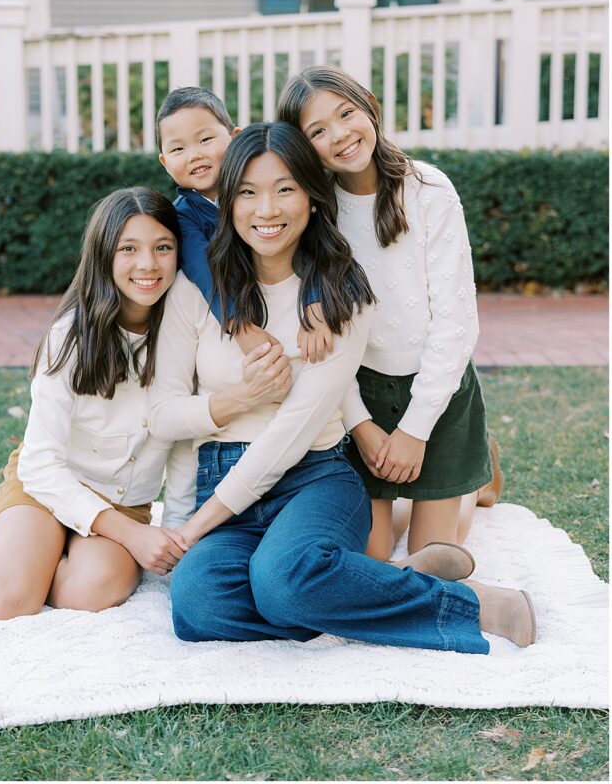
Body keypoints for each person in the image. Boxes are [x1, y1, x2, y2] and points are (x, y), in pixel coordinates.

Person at [150, 122, 536, 652]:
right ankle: (381, 582)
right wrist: (234, 401)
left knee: (283, 582)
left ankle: (474, 604)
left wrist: (193, 530)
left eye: (284, 189)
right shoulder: (198, 290)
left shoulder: (339, 299)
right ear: (227, 200)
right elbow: (162, 413)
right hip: (220, 476)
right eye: (247, 192)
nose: (266, 210)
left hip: (312, 477)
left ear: (312, 197)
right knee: (198, 604)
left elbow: (290, 435)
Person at [0, 188, 196, 621]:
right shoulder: (70, 337)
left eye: (163, 248)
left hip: (123, 499)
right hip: (47, 488)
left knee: (92, 590)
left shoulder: (188, 334)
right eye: (128, 248)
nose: (148, 264)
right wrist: (129, 534)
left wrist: (173, 530)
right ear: (103, 255)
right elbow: (40, 466)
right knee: (4, 602)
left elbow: (185, 440)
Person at [276, 66, 504, 562]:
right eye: (317, 131)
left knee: (433, 557)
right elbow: (327, 340)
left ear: (370, 106)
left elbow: (456, 322)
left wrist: (415, 430)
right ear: (302, 146)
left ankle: (471, 485)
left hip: (437, 393)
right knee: (373, 555)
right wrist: (360, 424)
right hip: (358, 392)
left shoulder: (429, 190)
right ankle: (427, 492)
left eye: (346, 113)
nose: (339, 135)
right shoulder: (315, 211)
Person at [157, 86, 333, 363]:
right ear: (165, 163)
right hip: (225, 319)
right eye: (178, 148)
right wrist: (237, 325)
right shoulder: (183, 216)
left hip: (287, 296)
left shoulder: (261, 192)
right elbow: (202, 268)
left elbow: (311, 242)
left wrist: (314, 300)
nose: (194, 155)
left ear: (234, 138)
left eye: (204, 139)